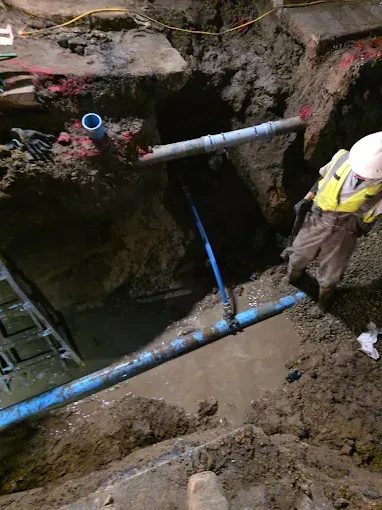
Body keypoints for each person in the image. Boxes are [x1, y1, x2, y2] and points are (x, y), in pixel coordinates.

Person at [286, 132, 382, 311]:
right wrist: (307, 199)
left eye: (365, 175)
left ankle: (324, 302)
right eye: (357, 171)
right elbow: (323, 178)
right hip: (317, 216)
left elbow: (372, 217)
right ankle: (293, 279)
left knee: (330, 275)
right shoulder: (342, 158)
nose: (358, 175)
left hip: (345, 231)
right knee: (298, 255)